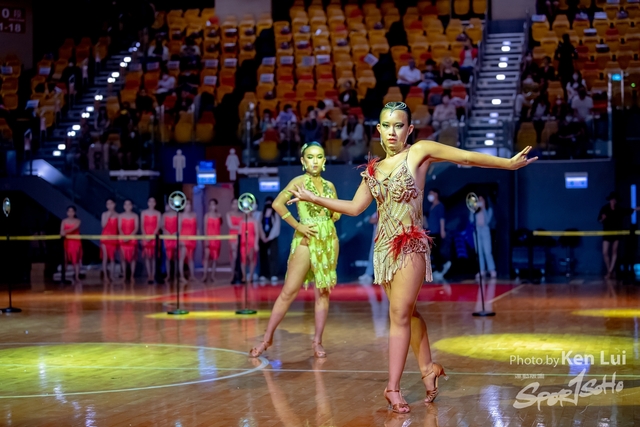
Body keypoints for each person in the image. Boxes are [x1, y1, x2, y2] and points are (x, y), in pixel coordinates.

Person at [288, 102, 536, 413]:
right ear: (378, 130)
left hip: (410, 245)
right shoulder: (373, 170)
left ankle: (392, 388)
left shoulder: (419, 152)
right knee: (408, 312)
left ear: (409, 129)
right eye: (386, 125)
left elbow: (465, 157)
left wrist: (507, 163)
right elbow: (353, 207)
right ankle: (429, 368)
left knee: (399, 314)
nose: (392, 132)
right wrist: (313, 197)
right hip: (383, 251)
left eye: (399, 125)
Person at [249, 141, 341, 359]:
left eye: (319, 156)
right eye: (310, 157)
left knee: (323, 292)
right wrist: (298, 225)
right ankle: (267, 339)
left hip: (328, 240)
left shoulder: (330, 186)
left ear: (324, 160)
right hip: (306, 239)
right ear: (303, 160)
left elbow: (337, 213)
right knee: (289, 291)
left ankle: (317, 341)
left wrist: (330, 216)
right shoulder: (298, 181)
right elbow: (278, 204)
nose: (315, 161)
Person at [598, 192, 640, 279]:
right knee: (605, 252)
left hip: (616, 233)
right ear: (609, 200)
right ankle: (609, 270)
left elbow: (628, 211)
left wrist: (636, 209)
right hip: (607, 232)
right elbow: (599, 220)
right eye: (612, 199)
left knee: (614, 251)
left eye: (614, 200)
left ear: (616, 201)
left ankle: (610, 271)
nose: (613, 201)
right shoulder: (604, 208)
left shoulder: (619, 209)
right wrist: (602, 219)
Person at [470, 195, 496, 279]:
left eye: (482, 200)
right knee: (479, 252)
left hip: (485, 231)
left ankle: (491, 269)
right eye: (479, 200)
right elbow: (471, 219)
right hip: (477, 231)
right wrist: (474, 208)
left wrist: (483, 208)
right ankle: (481, 270)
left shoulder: (489, 210)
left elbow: (487, 221)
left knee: (487, 251)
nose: (480, 201)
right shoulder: (474, 210)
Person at [427, 189, 451, 281]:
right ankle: (439, 268)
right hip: (432, 232)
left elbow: (442, 219)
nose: (429, 195)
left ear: (436, 194)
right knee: (433, 251)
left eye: (431, 193)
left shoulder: (440, 206)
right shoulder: (432, 206)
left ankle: (444, 263)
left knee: (436, 251)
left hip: (437, 232)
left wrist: (442, 230)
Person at [258, 197, 281, 282]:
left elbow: (276, 227)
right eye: (267, 203)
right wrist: (262, 236)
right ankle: (263, 274)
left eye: (270, 203)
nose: (268, 205)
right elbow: (259, 226)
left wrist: (270, 237)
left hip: (272, 237)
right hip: (263, 237)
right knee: (263, 256)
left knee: (273, 256)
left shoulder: (275, 214)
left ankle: (273, 274)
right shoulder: (262, 214)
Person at [141, 197, 161, 284]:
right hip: (146, 235)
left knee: (153, 256)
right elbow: (142, 225)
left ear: (155, 203)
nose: (151, 203)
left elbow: (158, 225)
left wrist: (153, 235)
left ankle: (153, 274)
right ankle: (149, 274)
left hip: (154, 235)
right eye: (150, 201)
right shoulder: (143, 212)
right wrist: (145, 236)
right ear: (147, 203)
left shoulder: (158, 213)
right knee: (147, 256)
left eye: (153, 201)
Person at [202, 198, 223, 283]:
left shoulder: (219, 215)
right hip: (209, 238)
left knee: (215, 258)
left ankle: (213, 275)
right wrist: (206, 239)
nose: (212, 206)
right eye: (210, 204)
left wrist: (220, 217)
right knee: (207, 257)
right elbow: (205, 228)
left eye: (213, 204)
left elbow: (220, 225)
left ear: (216, 205)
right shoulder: (207, 215)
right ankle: (205, 275)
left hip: (217, 238)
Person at [119, 199, 139, 285]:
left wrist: (129, 237)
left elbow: (136, 227)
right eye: (125, 204)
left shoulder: (135, 216)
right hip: (123, 238)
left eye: (129, 204)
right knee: (123, 258)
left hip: (132, 238)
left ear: (132, 206)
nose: (127, 206)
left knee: (133, 258)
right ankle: (124, 275)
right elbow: (119, 227)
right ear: (123, 206)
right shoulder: (120, 215)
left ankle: (132, 276)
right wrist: (124, 236)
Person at [61, 206, 82, 284]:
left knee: (76, 260)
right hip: (67, 242)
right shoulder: (63, 221)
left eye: (72, 211)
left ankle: (77, 277)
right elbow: (61, 232)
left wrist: (65, 232)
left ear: (74, 212)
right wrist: (63, 232)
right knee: (65, 259)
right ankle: (63, 276)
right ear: (67, 212)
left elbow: (73, 229)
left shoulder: (78, 221)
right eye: (69, 211)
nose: (70, 213)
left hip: (75, 242)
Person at [179, 200, 198, 283]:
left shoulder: (194, 215)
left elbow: (196, 227)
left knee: (191, 258)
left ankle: (192, 276)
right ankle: (181, 276)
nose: (188, 206)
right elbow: (179, 228)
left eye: (189, 204)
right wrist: (180, 240)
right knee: (182, 257)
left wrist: (197, 237)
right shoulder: (180, 215)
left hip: (192, 238)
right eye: (186, 204)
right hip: (184, 238)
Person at [101, 198, 119, 283]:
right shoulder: (104, 214)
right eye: (107, 204)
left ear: (114, 204)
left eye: (111, 203)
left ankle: (112, 275)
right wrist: (108, 216)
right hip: (105, 237)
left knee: (112, 258)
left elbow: (119, 227)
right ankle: (105, 276)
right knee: (105, 257)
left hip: (114, 238)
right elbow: (103, 225)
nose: (109, 205)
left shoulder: (118, 215)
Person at [359, 211, 378, 284]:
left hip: (388, 237)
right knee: (372, 255)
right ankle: (368, 274)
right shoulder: (378, 211)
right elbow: (371, 220)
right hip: (376, 236)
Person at [163, 203, 179, 282]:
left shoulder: (177, 214)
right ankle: (168, 275)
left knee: (176, 256)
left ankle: (176, 275)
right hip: (167, 236)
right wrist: (166, 231)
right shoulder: (164, 215)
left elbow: (180, 225)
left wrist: (176, 232)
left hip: (175, 236)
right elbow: (162, 225)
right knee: (168, 257)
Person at [227, 198, 243, 273]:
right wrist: (240, 227)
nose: (235, 205)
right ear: (231, 205)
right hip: (233, 236)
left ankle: (240, 272)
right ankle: (233, 272)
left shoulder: (242, 214)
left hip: (241, 235)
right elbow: (231, 226)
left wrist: (241, 227)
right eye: (234, 203)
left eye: (237, 203)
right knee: (234, 255)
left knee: (241, 255)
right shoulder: (229, 214)